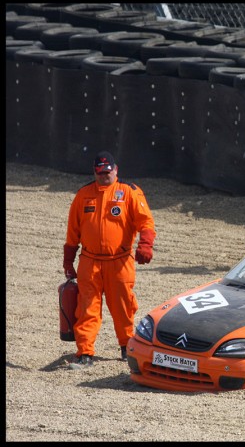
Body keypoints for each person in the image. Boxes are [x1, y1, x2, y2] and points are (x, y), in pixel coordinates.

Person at [63, 151, 156, 369]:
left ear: (116, 170)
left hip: (119, 261)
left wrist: (146, 245)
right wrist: (68, 261)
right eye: (100, 173)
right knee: (86, 308)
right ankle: (85, 352)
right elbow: (72, 232)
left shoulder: (130, 192)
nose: (104, 176)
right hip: (89, 261)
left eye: (108, 172)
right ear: (94, 172)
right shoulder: (83, 195)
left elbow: (146, 222)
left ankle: (127, 346)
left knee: (123, 307)